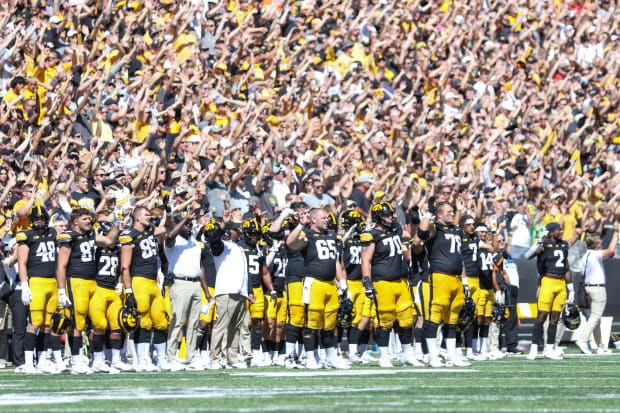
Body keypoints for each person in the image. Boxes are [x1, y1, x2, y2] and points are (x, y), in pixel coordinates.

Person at [56, 208, 120, 374]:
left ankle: (97, 360)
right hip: (76, 282)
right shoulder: (69, 236)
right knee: (78, 323)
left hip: (93, 283)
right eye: (84, 219)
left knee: (100, 322)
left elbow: (109, 241)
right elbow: (61, 266)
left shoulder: (91, 234)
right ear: (75, 221)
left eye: (89, 219)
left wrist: (117, 222)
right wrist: (62, 290)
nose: (88, 221)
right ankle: (76, 361)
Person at [287, 207, 350, 369]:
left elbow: (335, 261)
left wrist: (342, 284)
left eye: (327, 217)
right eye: (323, 217)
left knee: (330, 324)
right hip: (314, 283)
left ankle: (330, 357)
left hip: (330, 284)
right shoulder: (307, 234)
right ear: (313, 219)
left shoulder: (331, 235)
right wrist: (301, 225)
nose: (327, 220)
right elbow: (290, 242)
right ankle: (309, 358)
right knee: (312, 322)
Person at [360, 202, 422, 367]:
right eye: (388, 215)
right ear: (379, 217)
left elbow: (409, 235)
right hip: (382, 282)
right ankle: (384, 356)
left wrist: (414, 223)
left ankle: (407, 354)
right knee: (385, 320)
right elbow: (365, 259)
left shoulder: (394, 229)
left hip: (401, 281)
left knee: (407, 319)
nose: (391, 218)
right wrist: (367, 281)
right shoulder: (371, 234)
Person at [119, 205, 172, 371]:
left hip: (152, 282)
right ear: (137, 217)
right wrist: (128, 291)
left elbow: (168, 228)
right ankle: (142, 359)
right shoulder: (129, 236)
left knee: (161, 321)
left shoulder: (149, 231)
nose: (150, 217)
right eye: (146, 215)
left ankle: (162, 359)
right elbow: (125, 267)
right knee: (144, 321)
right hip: (139, 281)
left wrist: (169, 212)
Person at [418, 202, 470, 367]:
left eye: (452, 211)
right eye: (449, 211)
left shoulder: (455, 229)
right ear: (439, 214)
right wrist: (428, 214)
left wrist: (460, 211)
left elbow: (459, 255)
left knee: (453, 318)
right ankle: (432, 356)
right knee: (435, 315)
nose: (452, 213)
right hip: (440, 276)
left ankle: (451, 355)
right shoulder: (435, 227)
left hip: (455, 278)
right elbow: (422, 233)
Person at [16, 206, 62, 374]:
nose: (40, 221)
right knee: (34, 324)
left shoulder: (52, 233)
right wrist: (25, 285)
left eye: (42, 218)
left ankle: (42, 360)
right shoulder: (27, 236)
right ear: (32, 220)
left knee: (48, 325)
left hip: (52, 283)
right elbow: (21, 262)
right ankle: (29, 362)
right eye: (37, 219)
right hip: (36, 282)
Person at [205, 220, 254, 369]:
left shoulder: (237, 247)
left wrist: (248, 291)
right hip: (226, 290)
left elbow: (245, 272)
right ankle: (215, 359)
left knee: (235, 327)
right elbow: (214, 240)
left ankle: (232, 358)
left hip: (240, 291)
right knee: (221, 326)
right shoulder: (220, 246)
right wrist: (221, 226)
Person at [164, 212, 209, 370]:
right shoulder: (174, 242)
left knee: (194, 323)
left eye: (190, 224)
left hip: (195, 283)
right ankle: (171, 357)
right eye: (185, 224)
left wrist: (206, 291)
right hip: (179, 282)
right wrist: (184, 219)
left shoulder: (195, 243)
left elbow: (200, 266)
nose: (189, 227)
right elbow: (169, 236)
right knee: (177, 321)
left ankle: (191, 356)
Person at [525, 222, 573, 361]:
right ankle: (534, 348)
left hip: (561, 283)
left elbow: (567, 268)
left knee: (555, 318)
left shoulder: (564, 245)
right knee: (541, 315)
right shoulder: (544, 244)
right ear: (552, 232)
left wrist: (571, 288)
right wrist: (539, 240)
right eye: (559, 229)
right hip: (548, 281)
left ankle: (549, 348)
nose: (562, 231)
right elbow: (528, 255)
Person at [575, 224, 618, 355]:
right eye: (599, 243)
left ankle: (600, 346)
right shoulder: (596, 254)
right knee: (595, 317)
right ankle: (582, 340)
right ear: (596, 245)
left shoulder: (584, 256)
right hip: (598, 289)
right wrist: (616, 233)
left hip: (587, 288)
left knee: (595, 318)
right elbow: (610, 251)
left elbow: (582, 275)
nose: (601, 245)